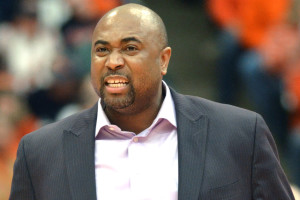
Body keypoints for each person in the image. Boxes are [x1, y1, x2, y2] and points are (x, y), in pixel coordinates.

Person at [9, 3, 295, 200]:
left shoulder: (241, 133)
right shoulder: (39, 152)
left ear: (164, 60)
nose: (113, 61)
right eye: (101, 50)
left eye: (130, 48)